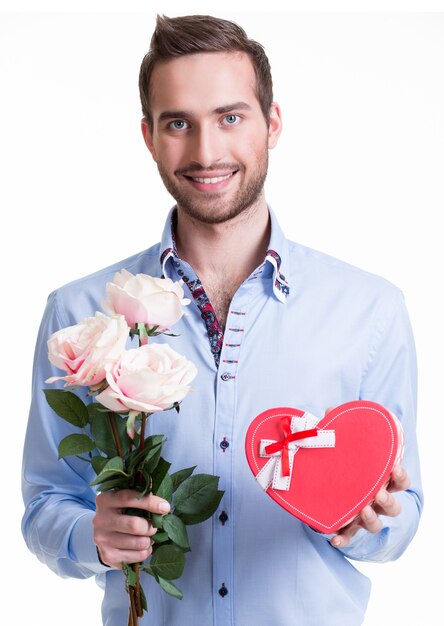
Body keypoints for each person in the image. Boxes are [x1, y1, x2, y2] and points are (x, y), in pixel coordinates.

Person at [21, 14, 423, 626]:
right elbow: (46, 502)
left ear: (273, 123)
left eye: (230, 117)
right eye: (178, 123)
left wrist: (363, 525)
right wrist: (90, 537)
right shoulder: (80, 314)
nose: (206, 152)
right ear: (149, 137)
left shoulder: (370, 310)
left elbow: (407, 512)